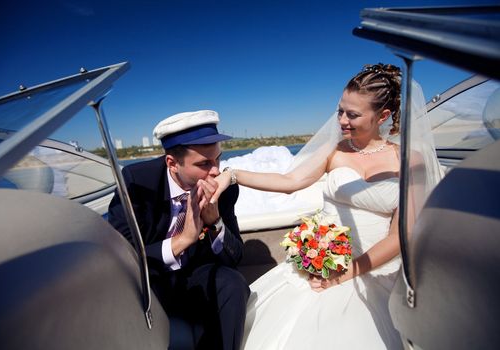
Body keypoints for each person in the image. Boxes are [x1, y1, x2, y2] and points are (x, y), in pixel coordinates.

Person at [213, 64, 442, 349]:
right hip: (320, 266)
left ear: (382, 116)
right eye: (340, 111)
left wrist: (345, 274)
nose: (342, 120)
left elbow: (401, 236)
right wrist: (232, 175)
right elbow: (290, 180)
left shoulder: (410, 160)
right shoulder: (335, 150)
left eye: (353, 114)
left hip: (377, 273)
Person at [108, 110, 250, 350]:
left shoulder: (224, 190)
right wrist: (183, 240)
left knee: (233, 283)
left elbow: (235, 258)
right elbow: (123, 254)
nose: (216, 171)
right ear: (172, 163)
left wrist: (215, 223)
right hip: (150, 280)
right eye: (204, 164)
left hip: (197, 276)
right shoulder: (136, 183)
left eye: (218, 159)